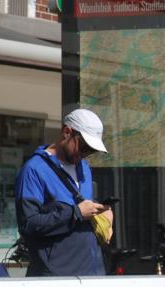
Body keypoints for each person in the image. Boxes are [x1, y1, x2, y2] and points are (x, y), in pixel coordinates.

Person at [14, 108, 112, 277]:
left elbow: (83, 210)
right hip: (56, 277)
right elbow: (28, 225)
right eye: (84, 147)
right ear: (67, 132)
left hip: (91, 272)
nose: (86, 154)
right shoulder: (34, 170)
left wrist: (101, 213)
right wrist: (76, 213)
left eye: (92, 150)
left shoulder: (84, 167)